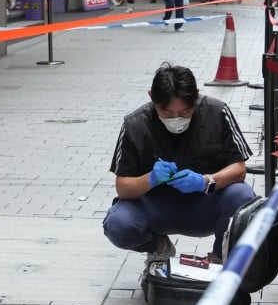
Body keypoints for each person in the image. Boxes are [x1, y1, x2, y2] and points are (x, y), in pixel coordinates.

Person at [103, 63, 256, 265]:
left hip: (204, 205)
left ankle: (220, 257)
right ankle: (159, 247)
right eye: (167, 113)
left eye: (185, 112)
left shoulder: (217, 113)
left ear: (196, 95)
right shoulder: (135, 124)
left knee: (241, 196)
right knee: (118, 224)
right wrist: (150, 178)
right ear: (151, 97)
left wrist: (205, 181)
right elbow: (123, 187)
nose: (176, 119)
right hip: (155, 208)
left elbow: (239, 169)